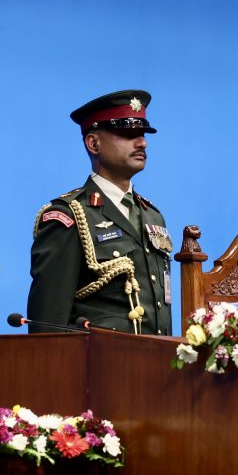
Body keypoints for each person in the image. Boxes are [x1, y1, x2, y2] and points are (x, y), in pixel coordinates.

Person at [28, 89, 172, 334]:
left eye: (143, 134)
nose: (142, 143)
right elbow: (47, 324)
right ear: (94, 143)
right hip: (99, 356)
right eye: (128, 134)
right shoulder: (70, 216)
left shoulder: (152, 215)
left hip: (155, 354)